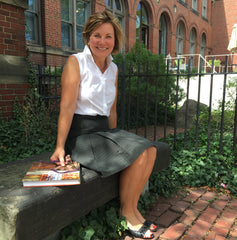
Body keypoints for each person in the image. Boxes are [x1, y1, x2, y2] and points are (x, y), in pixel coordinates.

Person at [50, 10, 159, 239]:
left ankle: (132, 208)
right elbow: (67, 107)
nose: (102, 41)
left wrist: (116, 137)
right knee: (140, 153)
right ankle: (128, 213)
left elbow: (111, 109)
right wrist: (60, 146)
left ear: (115, 40)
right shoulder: (75, 62)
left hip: (103, 132)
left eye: (108, 36)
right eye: (97, 35)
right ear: (88, 37)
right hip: (82, 137)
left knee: (149, 149)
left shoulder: (114, 69)